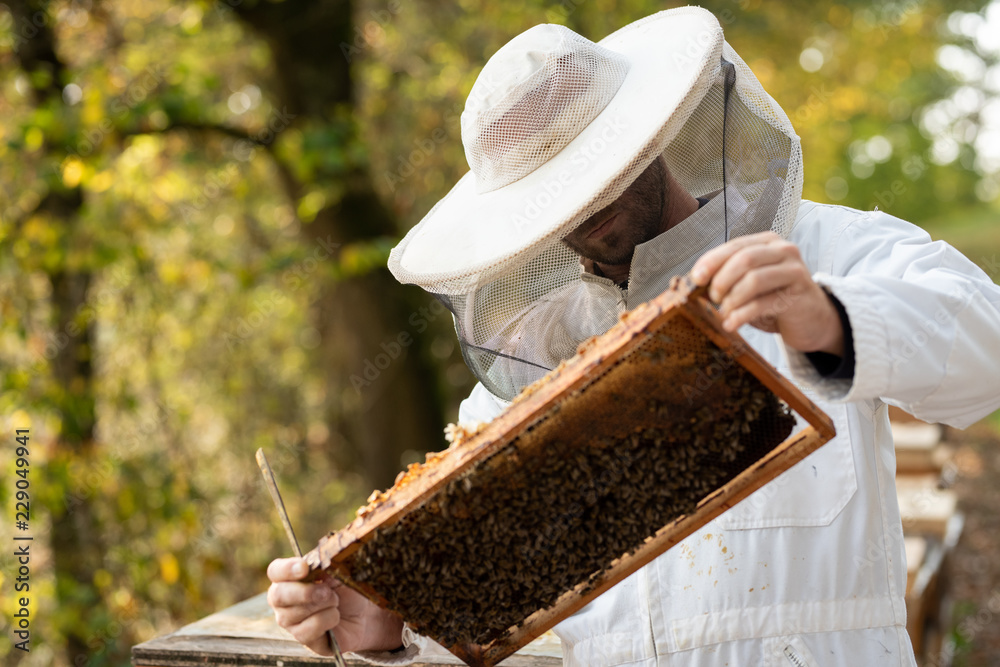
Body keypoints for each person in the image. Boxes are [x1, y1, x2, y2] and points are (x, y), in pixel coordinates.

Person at [267, 7, 1000, 666]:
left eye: (594, 170)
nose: (583, 211)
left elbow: (986, 349)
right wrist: (391, 625)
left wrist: (830, 316)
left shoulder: (825, 250)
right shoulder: (528, 364)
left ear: (648, 133)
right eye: (553, 197)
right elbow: (485, 604)